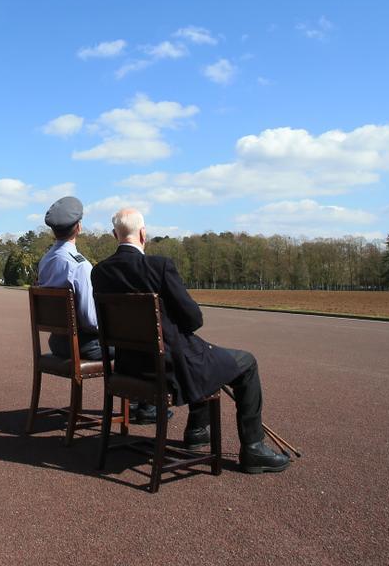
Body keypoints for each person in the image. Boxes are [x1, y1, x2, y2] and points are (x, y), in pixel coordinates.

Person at [90, 207, 290, 474]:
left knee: (202, 355)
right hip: (170, 368)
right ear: (143, 233)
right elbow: (194, 319)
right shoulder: (159, 266)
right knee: (246, 363)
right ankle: (253, 448)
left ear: (115, 234)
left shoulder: (99, 272)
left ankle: (197, 430)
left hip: (130, 367)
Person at [36, 196, 163, 424]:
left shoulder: (45, 260)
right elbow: (91, 321)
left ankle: (133, 402)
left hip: (58, 342)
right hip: (84, 345)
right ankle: (146, 406)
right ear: (79, 227)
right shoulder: (80, 266)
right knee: (141, 345)